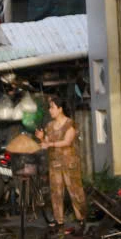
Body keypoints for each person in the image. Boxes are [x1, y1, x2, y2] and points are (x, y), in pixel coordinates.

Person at [41, 93, 88, 231]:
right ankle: (59, 221)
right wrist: (42, 139)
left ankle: (81, 219)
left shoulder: (70, 124)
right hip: (54, 163)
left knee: (75, 191)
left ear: (60, 108)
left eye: (52, 107)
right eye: (50, 108)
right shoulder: (49, 126)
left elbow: (67, 142)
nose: (50, 110)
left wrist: (50, 144)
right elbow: (47, 143)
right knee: (56, 192)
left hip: (70, 163)